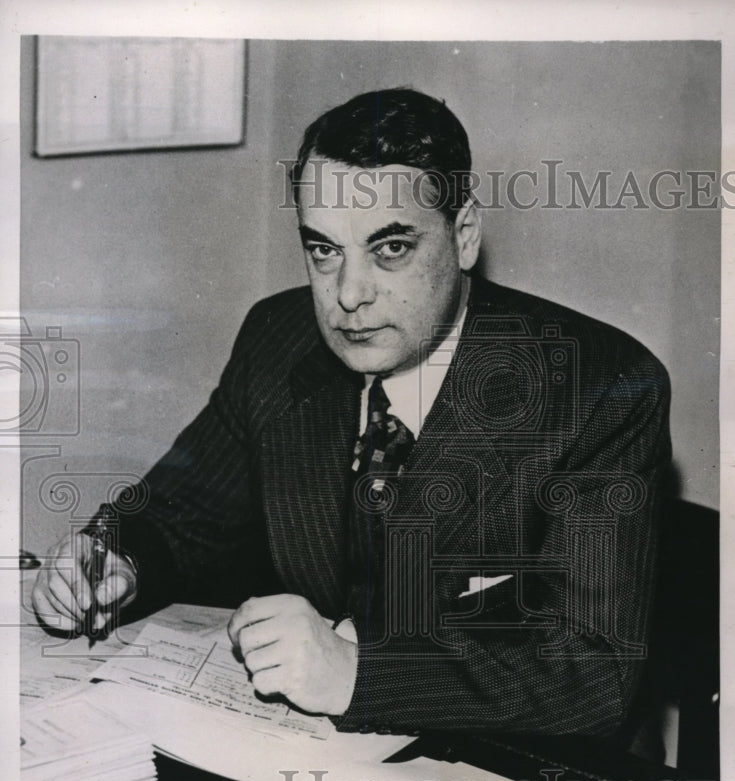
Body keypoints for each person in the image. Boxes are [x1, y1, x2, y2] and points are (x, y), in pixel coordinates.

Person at [31, 88, 671, 742]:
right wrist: (114, 560)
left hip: (514, 780)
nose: (348, 296)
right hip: (299, 765)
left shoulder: (599, 389)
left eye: (390, 249)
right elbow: (182, 515)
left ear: (465, 236)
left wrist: (354, 672)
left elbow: (590, 676)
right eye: (323, 250)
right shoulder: (279, 341)